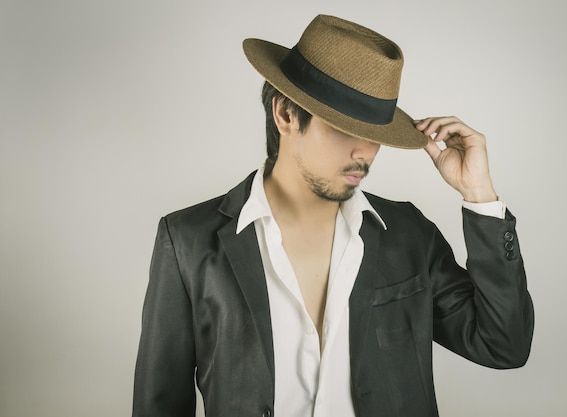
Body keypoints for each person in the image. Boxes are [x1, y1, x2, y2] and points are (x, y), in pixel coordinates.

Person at [132, 14, 534, 417]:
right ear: (286, 115)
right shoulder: (187, 241)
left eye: (376, 134)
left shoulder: (408, 233)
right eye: (344, 128)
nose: (366, 153)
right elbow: (160, 404)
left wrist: (479, 195)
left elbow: (503, 344)